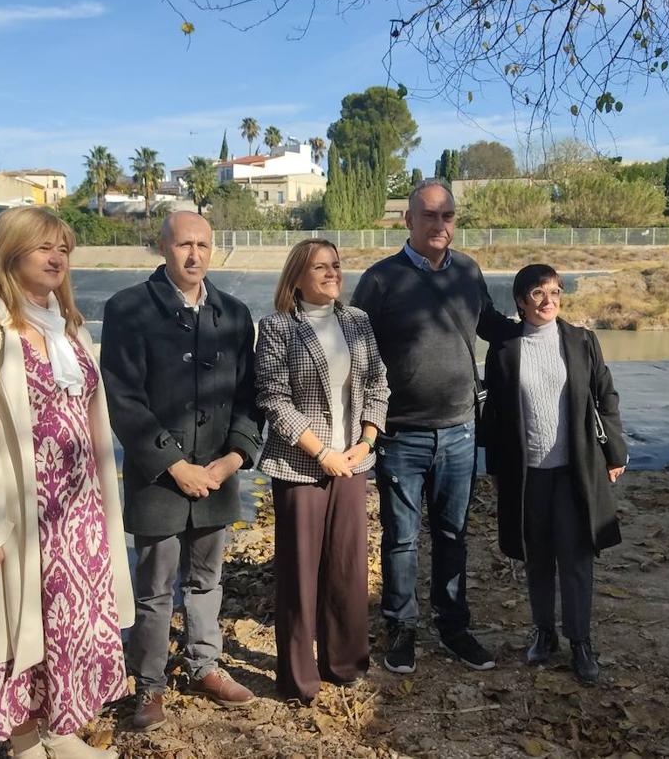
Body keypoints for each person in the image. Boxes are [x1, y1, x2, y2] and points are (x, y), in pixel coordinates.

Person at [0, 207, 134, 759]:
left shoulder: (70, 327)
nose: (57, 258)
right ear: (9, 253)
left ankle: (59, 729)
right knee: (19, 628)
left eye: (64, 249)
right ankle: (24, 742)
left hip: (80, 513)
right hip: (21, 514)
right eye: (43, 247)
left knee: (67, 627)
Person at [101, 211, 264, 729]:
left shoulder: (234, 314)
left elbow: (249, 396)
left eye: (204, 245)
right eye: (183, 245)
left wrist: (234, 456)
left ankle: (203, 664)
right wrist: (174, 464)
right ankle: (148, 684)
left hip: (217, 474)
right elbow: (123, 399)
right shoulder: (129, 309)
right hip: (158, 478)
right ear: (162, 247)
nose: (194, 255)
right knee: (154, 587)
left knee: (207, 579)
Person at [351, 179, 520, 673]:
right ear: (407, 220)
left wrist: (540, 328)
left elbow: (489, 323)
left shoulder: (468, 270)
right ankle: (401, 626)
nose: (440, 224)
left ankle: (454, 626)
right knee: (401, 538)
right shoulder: (380, 280)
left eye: (447, 215)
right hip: (401, 434)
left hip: (461, 431)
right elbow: (357, 352)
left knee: (454, 534)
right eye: (428, 215)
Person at [255, 239, 389, 704]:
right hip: (299, 467)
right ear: (296, 277)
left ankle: (346, 663)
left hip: (353, 462)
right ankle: (298, 679)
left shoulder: (358, 322)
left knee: (348, 567)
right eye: (320, 267)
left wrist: (366, 442)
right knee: (299, 574)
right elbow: (273, 398)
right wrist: (322, 454)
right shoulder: (276, 328)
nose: (332, 273)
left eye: (336, 265)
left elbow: (377, 384)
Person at [481, 263, 628, 684]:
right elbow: (494, 411)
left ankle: (580, 642)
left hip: (575, 469)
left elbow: (606, 397)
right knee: (538, 557)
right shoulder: (505, 348)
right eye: (539, 293)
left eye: (556, 292)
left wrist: (614, 452)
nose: (549, 301)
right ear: (521, 300)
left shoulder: (582, 341)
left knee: (577, 557)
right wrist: (494, 467)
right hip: (528, 473)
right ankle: (544, 633)